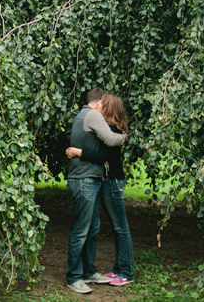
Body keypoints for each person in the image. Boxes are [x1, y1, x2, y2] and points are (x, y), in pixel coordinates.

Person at [66, 93, 134, 287]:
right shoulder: (98, 119)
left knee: (116, 227)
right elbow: (102, 152)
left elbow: (102, 154)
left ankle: (124, 271)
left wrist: (77, 151)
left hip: (110, 181)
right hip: (97, 180)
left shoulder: (108, 128)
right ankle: (78, 275)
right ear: (98, 102)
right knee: (90, 229)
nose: (102, 109)